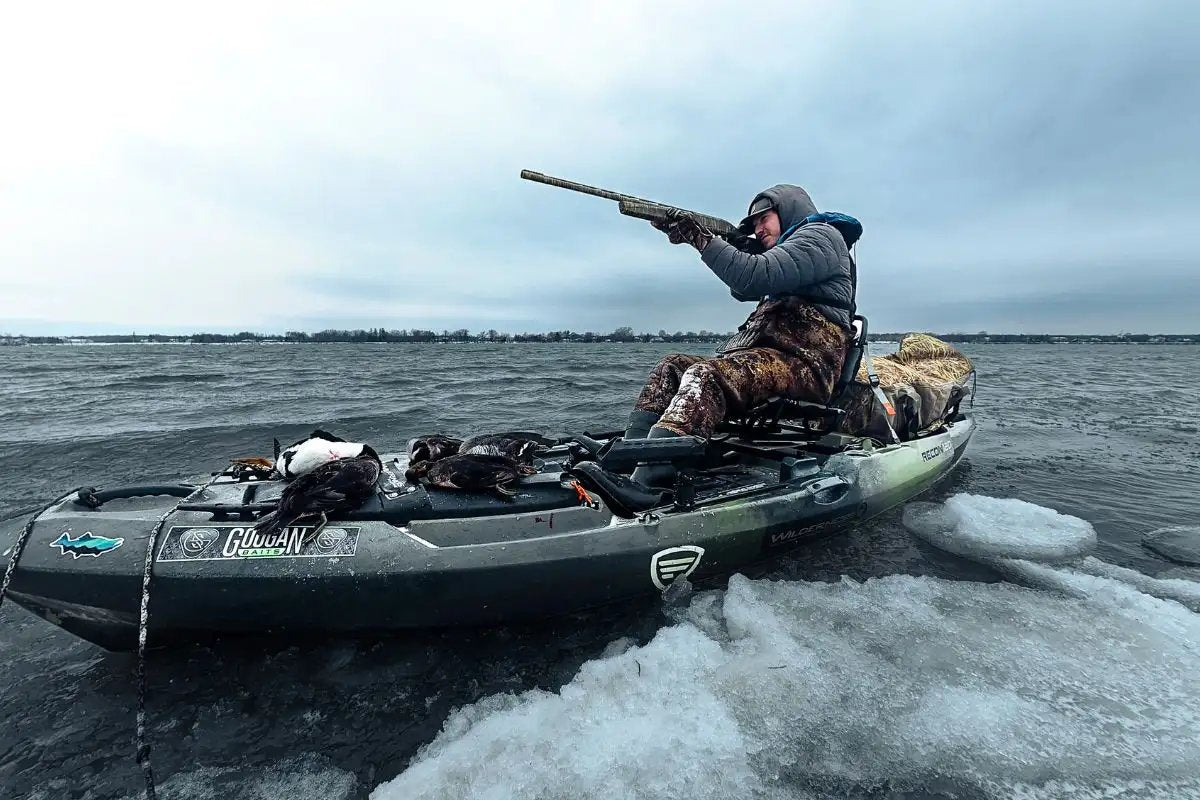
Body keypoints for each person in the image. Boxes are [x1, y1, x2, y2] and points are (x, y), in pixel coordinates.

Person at [626, 184, 860, 487]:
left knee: (706, 374)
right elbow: (741, 289)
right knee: (670, 367)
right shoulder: (784, 250)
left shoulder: (821, 236)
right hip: (772, 359)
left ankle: (652, 474)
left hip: (806, 366)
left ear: (790, 210)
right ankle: (632, 453)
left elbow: (751, 278)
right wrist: (727, 244)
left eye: (765, 219)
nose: (758, 229)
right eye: (753, 225)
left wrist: (701, 239)